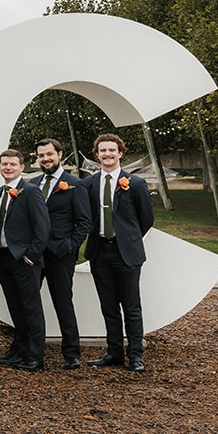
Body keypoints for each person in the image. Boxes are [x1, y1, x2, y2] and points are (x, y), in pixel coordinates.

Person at [83, 133, 155, 372]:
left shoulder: (134, 183)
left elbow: (146, 219)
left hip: (127, 253)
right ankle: (114, 352)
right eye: (102, 151)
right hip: (99, 251)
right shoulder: (90, 184)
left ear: (120, 153)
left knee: (132, 306)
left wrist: (126, 237)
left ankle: (135, 355)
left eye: (112, 150)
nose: (107, 154)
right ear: (97, 155)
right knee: (108, 306)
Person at [32, 137, 92, 369]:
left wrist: (70, 246)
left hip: (61, 254)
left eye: (49, 154)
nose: (45, 159)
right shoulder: (33, 183)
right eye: (41, 155)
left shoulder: (75, 184)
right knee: (29, 303)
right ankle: (28, 348)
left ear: (59, 155)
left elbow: (85, 222)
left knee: (63, 303)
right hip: (35, 255)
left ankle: (71, 352)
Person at [0, 148, 50, 373]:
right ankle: (19, 349)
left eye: (13, 164)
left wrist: (30, 256)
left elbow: (43, 228)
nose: (8, 167)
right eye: (4, 164)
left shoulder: (31, 192)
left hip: (24, 260)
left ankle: (35, 356)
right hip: (3, 258)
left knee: (31, 309)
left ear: (21, 168)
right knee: (14, 307)